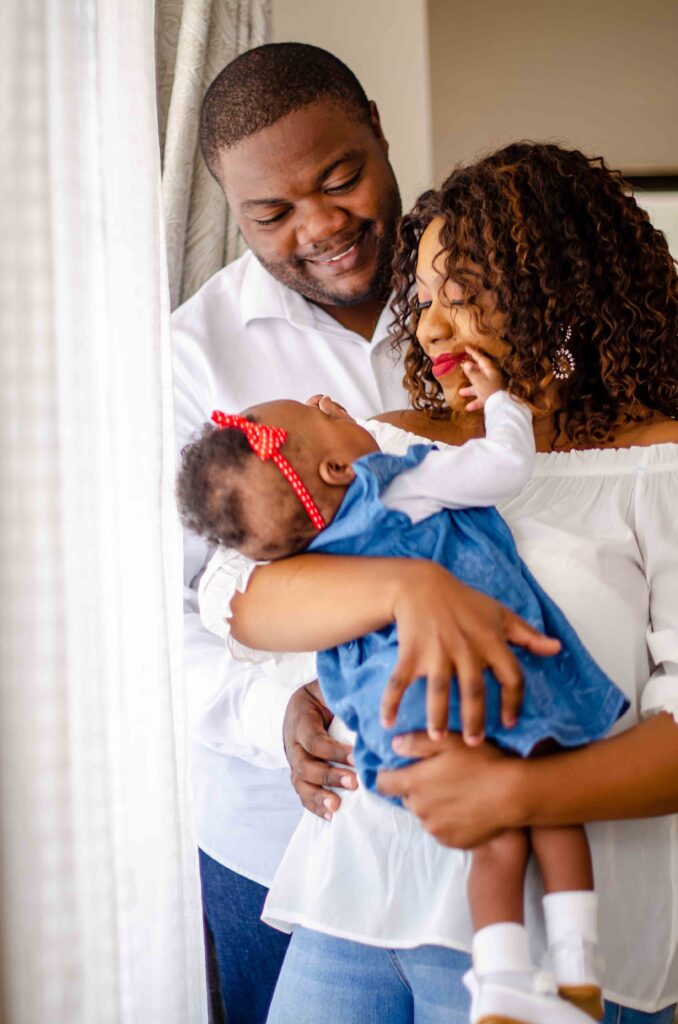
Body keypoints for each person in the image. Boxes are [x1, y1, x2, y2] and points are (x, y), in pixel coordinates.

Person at [205, 143, 678, 1022]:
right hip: (353, 906)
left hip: (556, 953)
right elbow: (238, 595)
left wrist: (520, 793)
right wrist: (402, 594)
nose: (425, 328)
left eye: (459, 296)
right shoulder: (390, 447)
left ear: (562, 286)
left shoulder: (662, 471)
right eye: (422, 301)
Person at [172, 44, 550, 1023]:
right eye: (274, 213)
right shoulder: (187, 359)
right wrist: (279, 715)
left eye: (340, 179)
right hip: (280, 838)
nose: (322, 225)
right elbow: (163, 612)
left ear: (379, 129)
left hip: (505, 806)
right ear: (231, 206)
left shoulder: (487, 292)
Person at [177, 343, 629, 1020]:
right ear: (335, 466)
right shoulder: (400, 477)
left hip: (399, 733)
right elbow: (503, 463)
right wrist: (505, 404)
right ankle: (575, 969)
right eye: (315, 409)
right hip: (483, 692)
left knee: (498, 839)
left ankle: (504, 977)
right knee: (547, 817)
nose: (328, 400)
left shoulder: (317, 543)